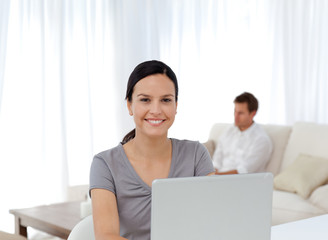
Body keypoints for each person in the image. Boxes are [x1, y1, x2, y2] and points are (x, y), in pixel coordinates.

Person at [89, 60, 215, 240]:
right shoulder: (105, 164)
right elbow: (106, 236)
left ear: (176, 106)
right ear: (129, 105)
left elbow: (213, 220)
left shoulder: (196, 154)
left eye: (165, 100)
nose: (156, 110)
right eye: (145, 100)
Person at [213, 92, 273, 175]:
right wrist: (211, 174)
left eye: (240, 113)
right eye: (235, 111)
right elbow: (217, 160)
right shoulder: (229, 130)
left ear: (253, 114)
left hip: (242, 182)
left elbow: (243, 171)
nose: (235, 117)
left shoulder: (261, 139)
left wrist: (216, 176)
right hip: (218, 179)